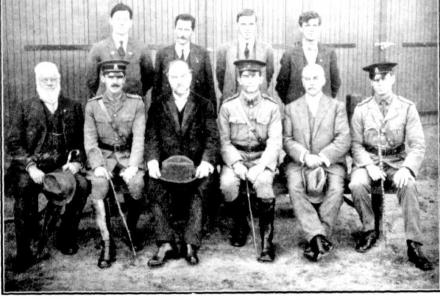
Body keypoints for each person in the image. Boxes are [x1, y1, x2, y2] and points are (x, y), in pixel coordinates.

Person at [349, 62, 433, 271]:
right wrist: (368, 165)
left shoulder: (407, 107)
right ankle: (369, 230)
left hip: (396, 162)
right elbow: (356, 144)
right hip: (368, 160)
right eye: (375, 80)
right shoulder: (362, 109)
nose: (380, 84)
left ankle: (413, 244)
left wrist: (406, 168)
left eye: (384, 79)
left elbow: (417, 145)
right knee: (357, 184)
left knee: (409, 185)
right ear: (371, 82)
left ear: (392, 79)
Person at [6, 62, 88, 272]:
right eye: (45, 79)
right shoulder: (24, 107)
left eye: (53, 79)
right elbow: (13, 143)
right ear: (37, 82)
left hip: (61, 167)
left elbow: (81, 141)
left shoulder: (74, 106)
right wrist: (31, 166)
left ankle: (65, 236)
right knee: (24, 188)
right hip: (32, 168)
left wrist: (77, 162)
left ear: (59, 80)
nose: (50, 83)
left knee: (82, 185)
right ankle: (24, 250)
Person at [145, 60, 219, 267]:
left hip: (195, 167)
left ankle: (190, 244)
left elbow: (212, 138)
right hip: (167, 167)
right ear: (168, 79)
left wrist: (206, 162)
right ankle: (165, 242)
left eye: (183, 76)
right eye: (174, 77)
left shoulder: (205, 104)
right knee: (153, 185)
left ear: (190, 77)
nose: (179, 81)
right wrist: (152, 161)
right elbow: (152, 137)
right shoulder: (158, 104)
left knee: (202, 187)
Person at [283, 64, 350, 262]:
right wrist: (304, 155)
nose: (311, 83)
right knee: (295, 187)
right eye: (307, 78)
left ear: (323, 80)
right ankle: (319, 238)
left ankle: (317, 236)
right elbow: (286, 139)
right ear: (302, 82)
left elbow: (343, 138)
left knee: (336, 189)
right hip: (299, 162)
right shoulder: (291, 108)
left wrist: (322, 157)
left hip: (331, 162)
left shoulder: (336, 107)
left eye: (315, 78)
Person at [84, 59, 146, 269]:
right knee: (99, 186)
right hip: (103, 157)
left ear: (125, 79)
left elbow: (138, 138)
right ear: (103, 78)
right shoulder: (93, 105)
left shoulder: (136, 103)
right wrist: (97, 165)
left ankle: (132, 226)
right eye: (111, 77)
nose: (115, 81)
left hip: (128, 156)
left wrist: (134, 165)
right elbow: (90, 141)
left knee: (137, 184)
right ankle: (107, 240)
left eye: (119, 77)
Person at [218, 59, 282, 262]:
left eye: (254, 75)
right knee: (227, 184)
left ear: (261, 78)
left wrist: (261, 166)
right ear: (238, 78)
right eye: (245, 76)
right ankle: (240, 223)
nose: (250, 80)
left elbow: (275, 143)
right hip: (236, 156)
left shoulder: (272, 107)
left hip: (261, 157)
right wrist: (236, 164)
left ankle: (266, 240)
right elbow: (224, 141)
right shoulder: (228, 106)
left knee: (263, 182)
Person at [86, 3, 154, 97]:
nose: (121, 23)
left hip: (133, 104)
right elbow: (91, 81)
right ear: (111, 21)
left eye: (125, 19)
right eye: (118, 19)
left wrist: (136, 93)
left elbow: (149, 79)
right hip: (107, 104)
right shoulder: (98, 48)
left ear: (131, 22)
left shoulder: (141, 48)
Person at [152, 13, 216, 112]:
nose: (182, 34)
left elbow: (210, 87)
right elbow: (156, 88)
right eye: (179, 29)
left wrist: (212, 113)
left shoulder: (202, 54)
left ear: (192, 31)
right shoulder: (162, 54)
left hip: (196, 112)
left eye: (186, 30)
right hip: (168, 113)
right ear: (175, 30)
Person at [276, 11, 341, 105]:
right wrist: (293, 104)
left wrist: (325, 102)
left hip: (322, 110)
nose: (311, 29)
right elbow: (281, 86)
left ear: (319, 28)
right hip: (297, 110)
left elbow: (336, 83)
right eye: (307, 25)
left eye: (314, 26)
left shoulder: (329, 54)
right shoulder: (289, 55)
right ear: (301, 28)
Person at [216, 9, 274, 106]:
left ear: (256, 26)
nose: (247, 28)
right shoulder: (225, 49)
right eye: (243, 24)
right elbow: (221, 77)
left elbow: (268, 75)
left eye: (251, 24)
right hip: (232, 105)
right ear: (237, 25)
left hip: (258, 105)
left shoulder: (266, 50)